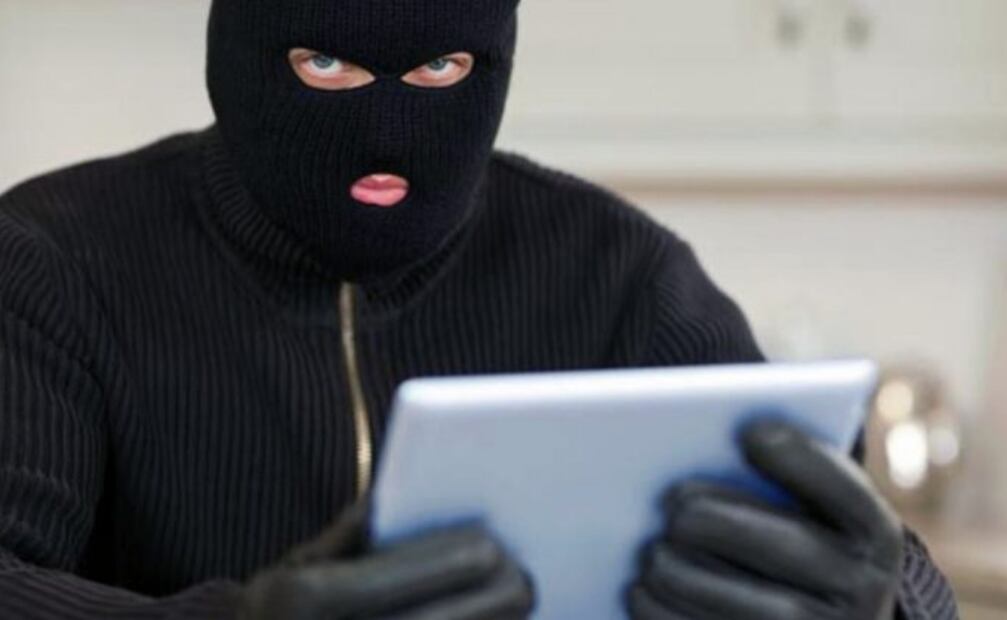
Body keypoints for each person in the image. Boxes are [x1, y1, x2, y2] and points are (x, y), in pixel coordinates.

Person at [0, 1, 956, 618]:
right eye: (326, 66)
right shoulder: (50, 260)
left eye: (439, 72)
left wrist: (889, 606)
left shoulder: (621, 275)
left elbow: (870, 555)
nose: (386, 130)